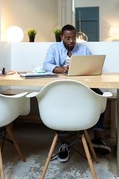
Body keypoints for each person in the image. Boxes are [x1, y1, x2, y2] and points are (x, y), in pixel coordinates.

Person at [43, 24, 111, 162]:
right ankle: (64, 142)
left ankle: (97, 138)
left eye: (73, 37)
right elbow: (46, 65)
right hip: (61, 87)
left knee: (100, 96)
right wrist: (62, 69)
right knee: (62, 102)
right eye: (67, 38)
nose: (71, 41)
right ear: (62, 37)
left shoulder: (84, 48)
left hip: (83, 86)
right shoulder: (54, 48)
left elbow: (93, 64)